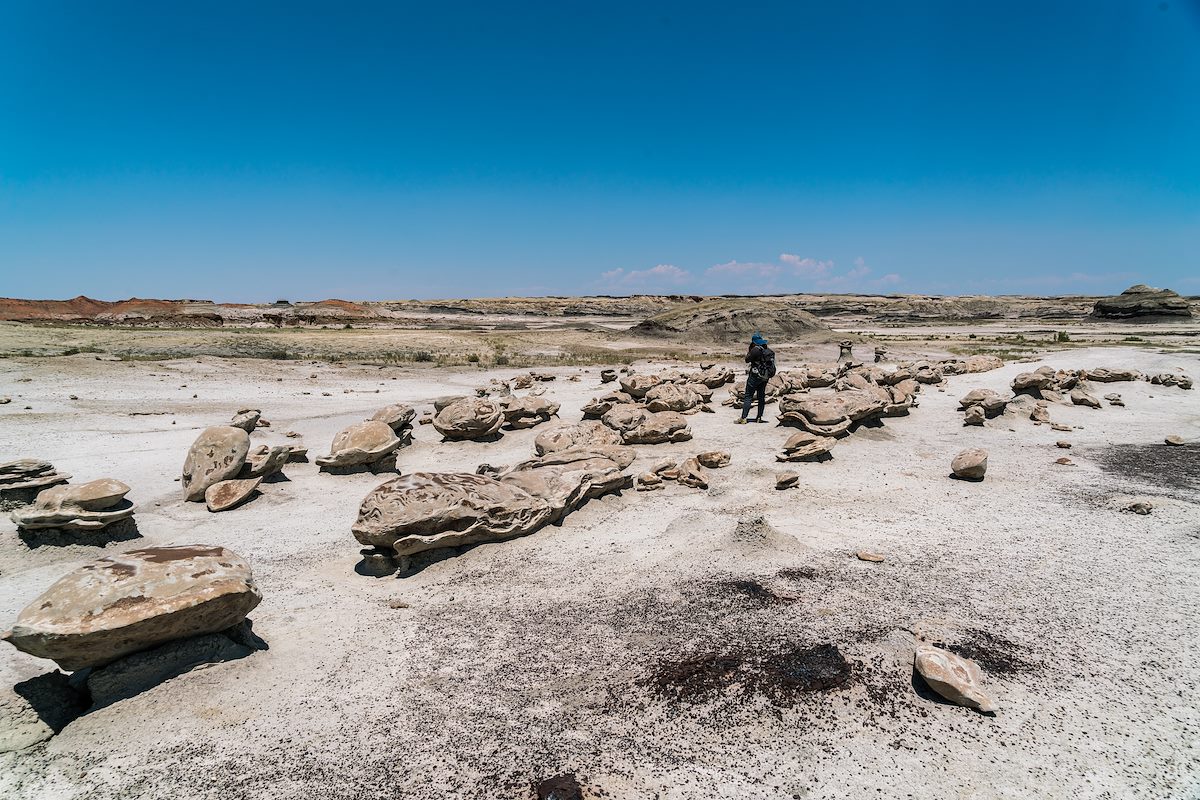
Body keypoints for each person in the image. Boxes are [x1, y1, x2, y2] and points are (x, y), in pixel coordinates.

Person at [737, 331, 775, 423]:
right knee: (761, 396)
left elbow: (747, 360)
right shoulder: (769, 351)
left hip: (754, 376)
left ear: (754, 342)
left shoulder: (755, 349)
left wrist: (750, 350)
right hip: (765, 376)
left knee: (748, 396)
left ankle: (743, 418)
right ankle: (759, 417)